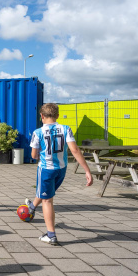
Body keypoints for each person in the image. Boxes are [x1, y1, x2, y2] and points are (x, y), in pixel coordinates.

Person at [25, 103, 93, 245]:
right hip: (61, 169)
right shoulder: (65, 129)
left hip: (46, 169)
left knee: (47, 200)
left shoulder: (37, 132)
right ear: (57, 116)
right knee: (47, 193)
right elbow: (74, 150)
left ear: (41, 116)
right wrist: (87, 170)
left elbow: (33, 155)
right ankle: (31, 208)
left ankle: (51, 235)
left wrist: (37, 155)